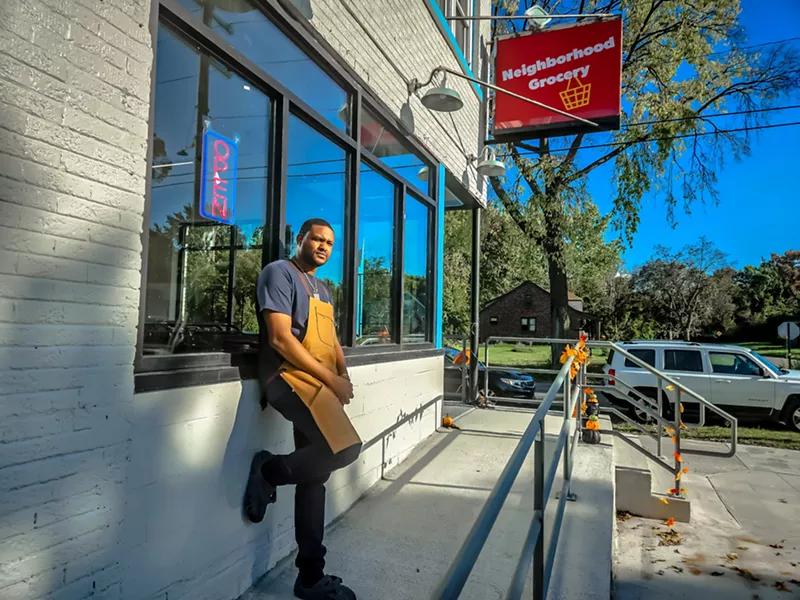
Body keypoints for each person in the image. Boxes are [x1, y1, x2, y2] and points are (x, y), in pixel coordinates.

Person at [245, 218, 362, 600]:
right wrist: (331, 381)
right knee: (343, 448)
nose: (324, 246)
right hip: (285, 378)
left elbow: (331, 342)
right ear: (301, 239)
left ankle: (310, 577)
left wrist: (342, 374)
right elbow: (280, 338)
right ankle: (270, 470)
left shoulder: (323, 290)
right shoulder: (279, 273)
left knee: (315, 477)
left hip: (317, 384)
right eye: (317, 239)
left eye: (330, 242)